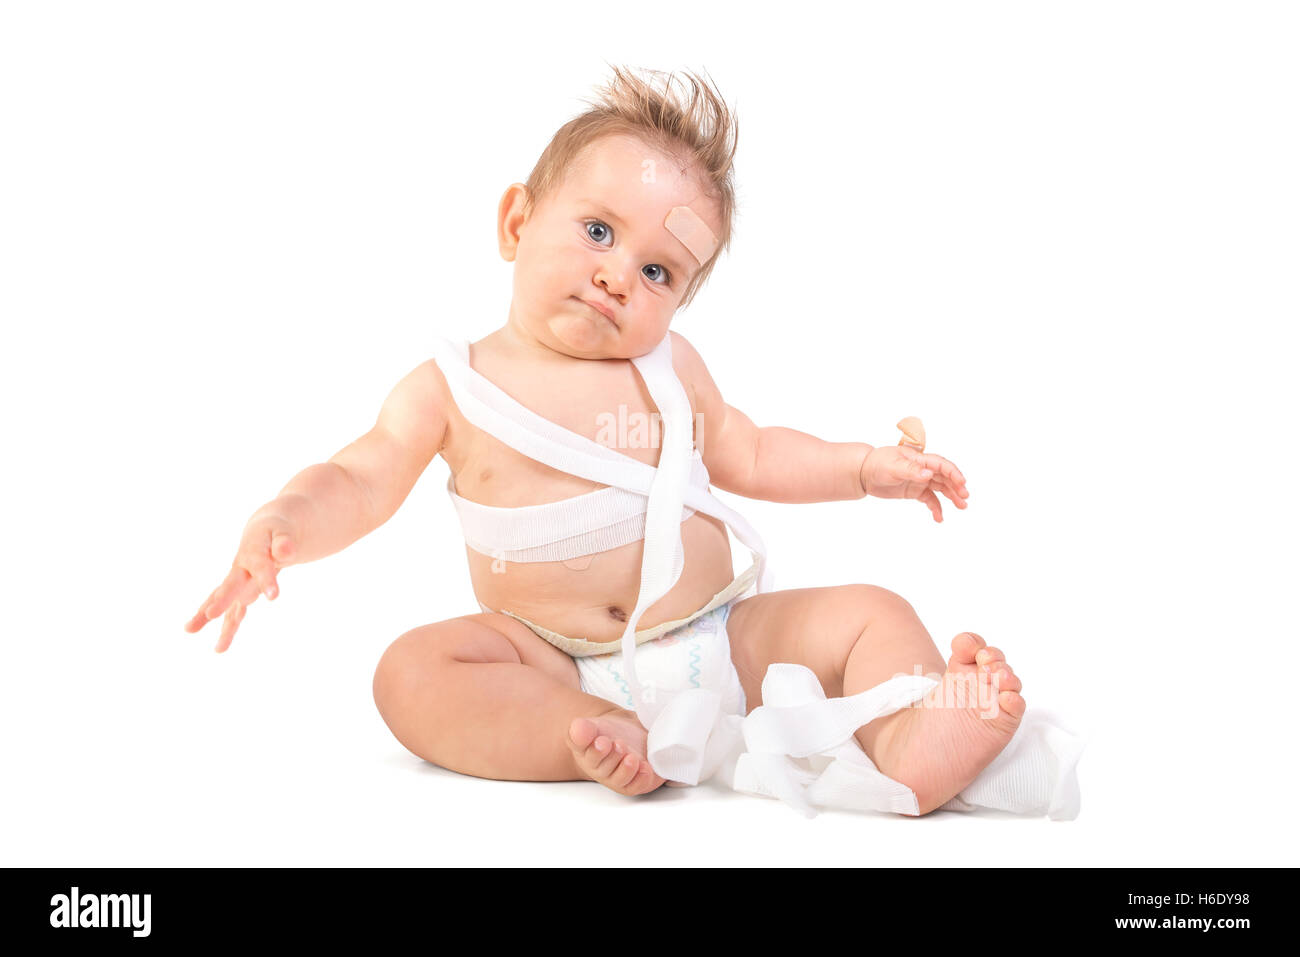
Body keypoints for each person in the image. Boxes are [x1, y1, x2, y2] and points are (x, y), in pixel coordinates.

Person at [185, 67, 1072, 818]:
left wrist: (864, 467)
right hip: (550, 659)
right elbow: (360, 473)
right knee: (410, 672)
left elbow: (750, 451)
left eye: (658, 271)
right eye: (598, 231)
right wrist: (285, 521)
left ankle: (906, 732)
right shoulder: (450, 387)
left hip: (719, 636)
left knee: (870, 610)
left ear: (678, 300)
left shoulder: (667, 363)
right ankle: (584, 740)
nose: (618, 276)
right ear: (515, 222)